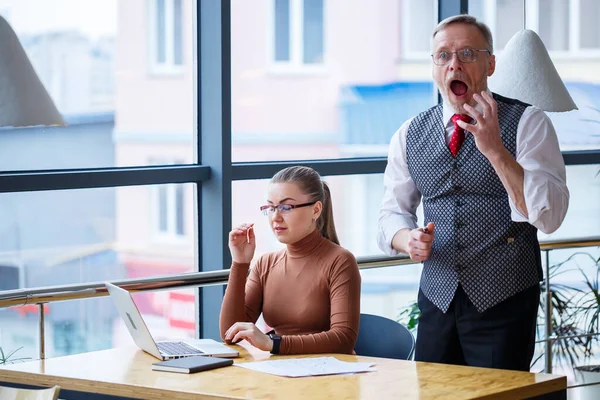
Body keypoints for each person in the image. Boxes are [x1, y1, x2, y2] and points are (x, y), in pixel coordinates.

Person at [377, 15, 569, 371]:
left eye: (467, 53)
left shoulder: (529, 123)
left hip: (505, 300)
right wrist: (408, 240)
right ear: (434, 67)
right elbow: (391, 214)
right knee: (434, 396)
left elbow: (551, 217)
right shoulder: (408, 134)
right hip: (437, 299)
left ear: (490, 63)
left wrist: (496, 150)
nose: (454, 64)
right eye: (443, 55)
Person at [220, 166, 361, 355]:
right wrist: (240, 263)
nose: (276, 217)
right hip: (280, 373)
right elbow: (230, 334)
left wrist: (274, 343)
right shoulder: (266, 264)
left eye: (286, 207)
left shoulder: (340, 261)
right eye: (271, 208)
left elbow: (343, 339)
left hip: (330, 377)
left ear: (316, 210)